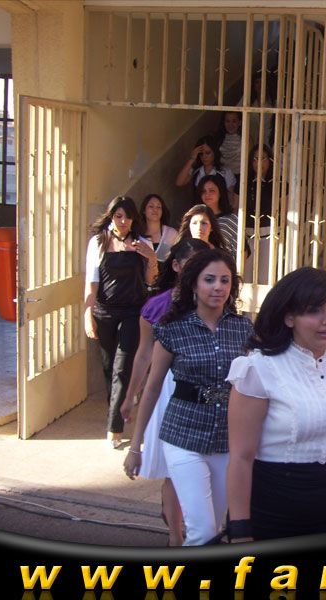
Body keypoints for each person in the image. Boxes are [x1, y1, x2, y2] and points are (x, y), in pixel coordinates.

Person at [226, 267, 326, 541]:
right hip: (275, 508)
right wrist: (240, 528)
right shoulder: (259, 369)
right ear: (289, 317)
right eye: (314, 311)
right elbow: (241, 457)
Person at [123, 248, 254, 545]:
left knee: (215, 527)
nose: (218, 287)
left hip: (226, 439)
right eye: (210, 279)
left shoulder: (243, 328)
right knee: (202, 531)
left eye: (224, 280)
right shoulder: (172, 329)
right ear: (194, 283)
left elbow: (254, 385)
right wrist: (135, 446)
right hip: (182, 435)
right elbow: (153, 388)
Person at [120, 238, 209, 546]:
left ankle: (200, 530)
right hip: (169, 388)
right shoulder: (157, 306)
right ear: (176, 266)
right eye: (192, 265)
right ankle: (175, 537)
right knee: (174, 470)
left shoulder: (217, 303)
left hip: (208, 390)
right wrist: (130, 395)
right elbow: (143, 354)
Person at [84, 196, 158, 449]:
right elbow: (92, 282)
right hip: (104, 312)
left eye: (128, 216)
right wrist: (88, 314)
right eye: (118, 216)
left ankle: (114, 427)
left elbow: (150, 281)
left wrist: (151, 258)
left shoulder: (142, 242)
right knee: (108, 368)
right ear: (111, 217)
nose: (123, 221)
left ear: (134, 219)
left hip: (132, 313)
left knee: (122, 368)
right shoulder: (98, 242)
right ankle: (116, 409)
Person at [241, 144, 274, 283]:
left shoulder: (278, 182)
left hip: (269, 235)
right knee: (245, 277)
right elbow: (237, 207)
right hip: (247, 234)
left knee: (265, 278)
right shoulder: (244, 182)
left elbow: (283, 212)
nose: (258, 162)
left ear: (270, 160)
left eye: (263, 158)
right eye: (255, 159)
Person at [175, 135, 237, 204]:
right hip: (201, 208)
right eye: (201, 154)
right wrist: (192, 159)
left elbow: (230, 197)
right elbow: (179, 182)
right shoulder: (196, 171)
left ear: (215, 152)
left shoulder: (225, 172)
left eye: (208, 153)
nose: (204, 157)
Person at [197, 175, 239, 256]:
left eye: (212, 191)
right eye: (203, 191)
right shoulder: (195, 219)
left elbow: (243, 251)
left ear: (220, 193)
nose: (207, 194)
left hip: (226, 262)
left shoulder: (230, 219)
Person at [139, 193, 178, 263]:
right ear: (144, 211)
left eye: (159, 207)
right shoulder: (138, 235)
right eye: (151, 206)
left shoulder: (171, 233)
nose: (155, 209)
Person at [217, 111, 244, 181]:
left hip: (240, 177)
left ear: (240, 122)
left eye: (234, 121)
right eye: (227, 121)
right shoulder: (218, 138)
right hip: (222, 176)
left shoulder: (245, 138)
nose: (230, 125)